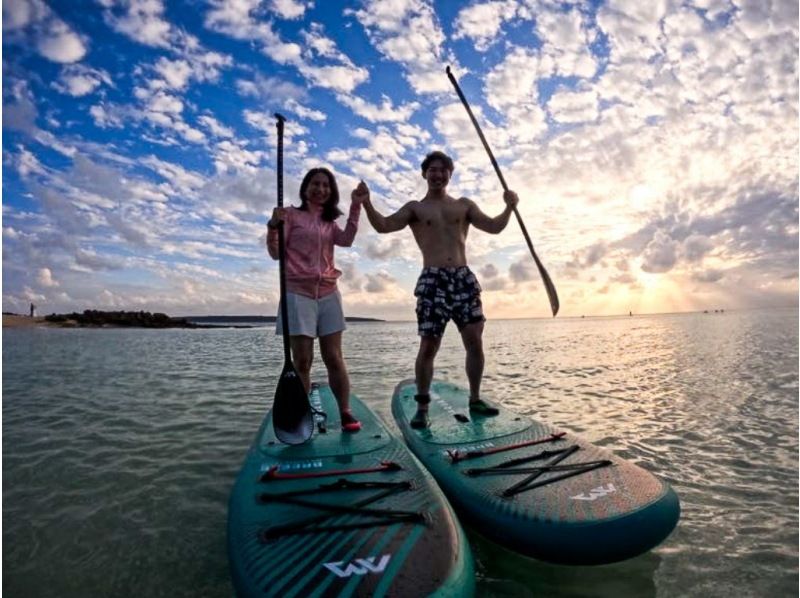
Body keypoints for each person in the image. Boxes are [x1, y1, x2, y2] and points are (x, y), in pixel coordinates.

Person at [359, 150, 519, 428]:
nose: (437, 174)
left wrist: (509, 207)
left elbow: (494, 227)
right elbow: (384, 226)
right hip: (433, 281)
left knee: (475, 341)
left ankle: (476, 399)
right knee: (429, 345)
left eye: (443, 170)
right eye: (432, 169)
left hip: (463, 278)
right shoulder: (415, 209)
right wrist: (366, 203)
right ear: (424, 174)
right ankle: (422, 407)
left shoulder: (464, 205)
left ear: (450, 175)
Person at [267, 167, 363, 432]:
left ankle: (345, 411)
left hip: (329, 293)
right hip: (297, 294)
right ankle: (300, 413)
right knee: (302, 360)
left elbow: (347, 239)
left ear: (331, 192)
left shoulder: (330, 223)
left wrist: (356, 205)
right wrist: (272, 226)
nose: (320, 189)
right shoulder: (290, 215)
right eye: (315, 184)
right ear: (305, 187)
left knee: (334, 357)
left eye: (326, 185)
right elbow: (276, 254)